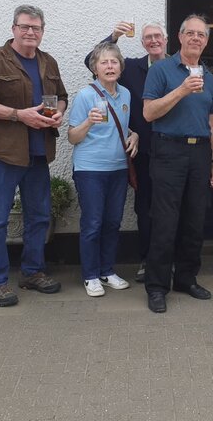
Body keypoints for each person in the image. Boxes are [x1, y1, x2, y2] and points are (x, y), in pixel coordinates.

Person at [0, 4, 68, 307]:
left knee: (39, 217)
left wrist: (58, 114)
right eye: (24, 26)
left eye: (36, 28)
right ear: (14, 29)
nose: (30, 32)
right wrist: (18, 115)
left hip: (38, 153)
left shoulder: (48, 61)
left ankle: (32, 272)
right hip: (4, 153)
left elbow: (62, 97)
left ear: (42, 31)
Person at [142, 14, 213, 313]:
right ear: (180, 37)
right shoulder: (161, 70)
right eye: (191, 33)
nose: (196, 38)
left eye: (201, 35)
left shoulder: (209, 77)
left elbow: (212, 123)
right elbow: (149, 113)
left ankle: (186, 279)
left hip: (199, 154)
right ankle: (157, 286)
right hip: (168, 151)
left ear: (206, 41)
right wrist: (182, 90)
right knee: (165, 221)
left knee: (194, 220)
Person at [85, 21, 169, 283]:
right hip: (143, 152)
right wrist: (114, 37)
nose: (154, 40)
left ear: (166, 40)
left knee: (172, 207)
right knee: (145, 208)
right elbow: (90, 61)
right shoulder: (131, 67)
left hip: (174, 151)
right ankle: (146, 260)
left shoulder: (178, 67)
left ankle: (169, 260)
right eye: (148, 37)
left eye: (158, 36)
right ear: (142, 43)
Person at [69, 41, 139, 297]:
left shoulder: (126, 94)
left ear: (120, 67)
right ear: (95, 68)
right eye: (104, 62)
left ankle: (107, 270)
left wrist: (135, 135)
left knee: (112, 222)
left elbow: (122, 126)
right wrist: (88, 121)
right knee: (93, 223)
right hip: (90, 170)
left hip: (118, 168)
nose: (110, 66)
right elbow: (72, 137)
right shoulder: (86, 95)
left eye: (114, 62)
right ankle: (90, 275)